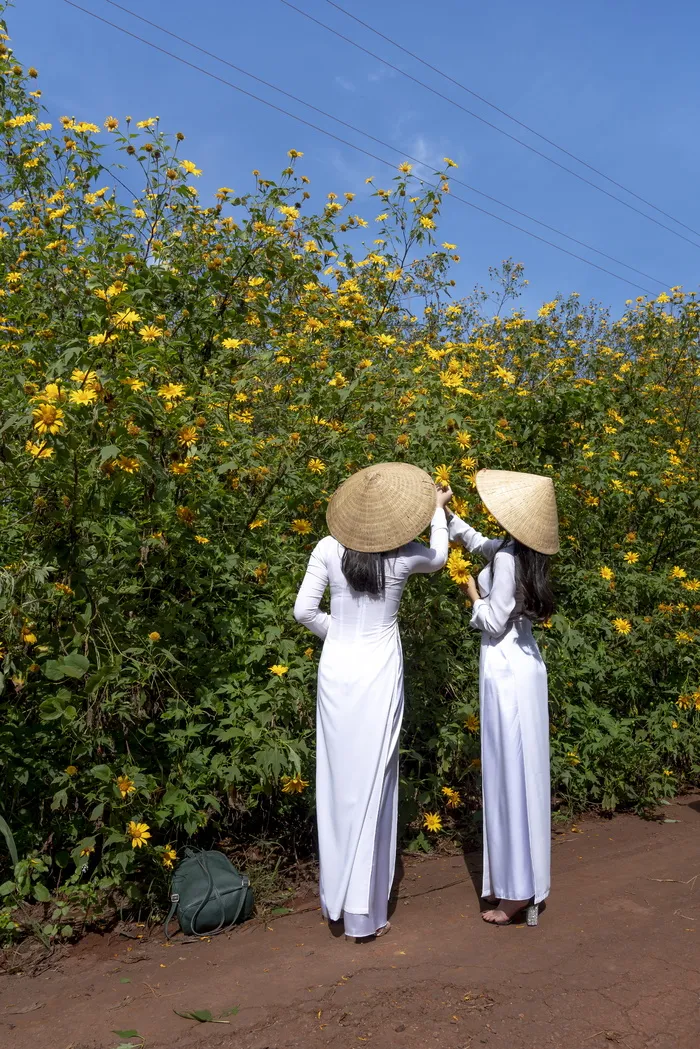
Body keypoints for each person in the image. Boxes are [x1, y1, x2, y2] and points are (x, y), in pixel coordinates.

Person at [294, 462, 451, 942]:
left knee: (337, 782)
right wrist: (439, 511)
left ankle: (335, 903)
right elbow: (443, 558)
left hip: (336, 671)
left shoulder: (325, 548)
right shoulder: (405, 556)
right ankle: (365, 914)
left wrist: (335, 633)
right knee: (375, 784)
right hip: (379, 672)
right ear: (390, 519)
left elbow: (303, 611)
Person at [446, 469, 559, 927]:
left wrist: (470, 592)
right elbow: (476, 542)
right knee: (526, 771)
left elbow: (492, 623)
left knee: (508, 773)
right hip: (526, 665)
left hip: (506, 668)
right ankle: (527, 883)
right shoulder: (521, 552)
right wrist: (446, 514)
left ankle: (514, 893)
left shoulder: (510, 558)